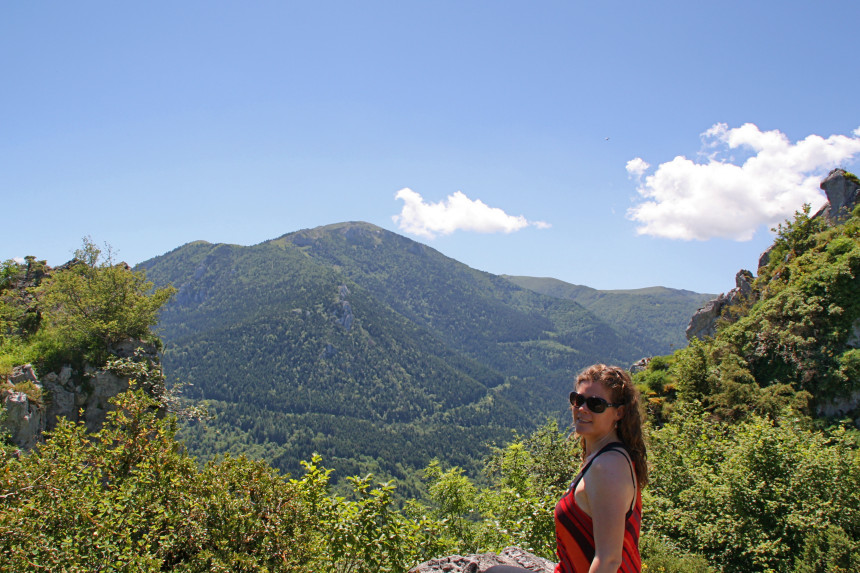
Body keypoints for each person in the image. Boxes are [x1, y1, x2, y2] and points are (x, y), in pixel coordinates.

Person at [486, 364, 647, 573]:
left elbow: (609, 561)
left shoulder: (609, 468)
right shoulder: (603, 456)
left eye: (596, 404)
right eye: (578, 400)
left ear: (619, 412)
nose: (582, 409)